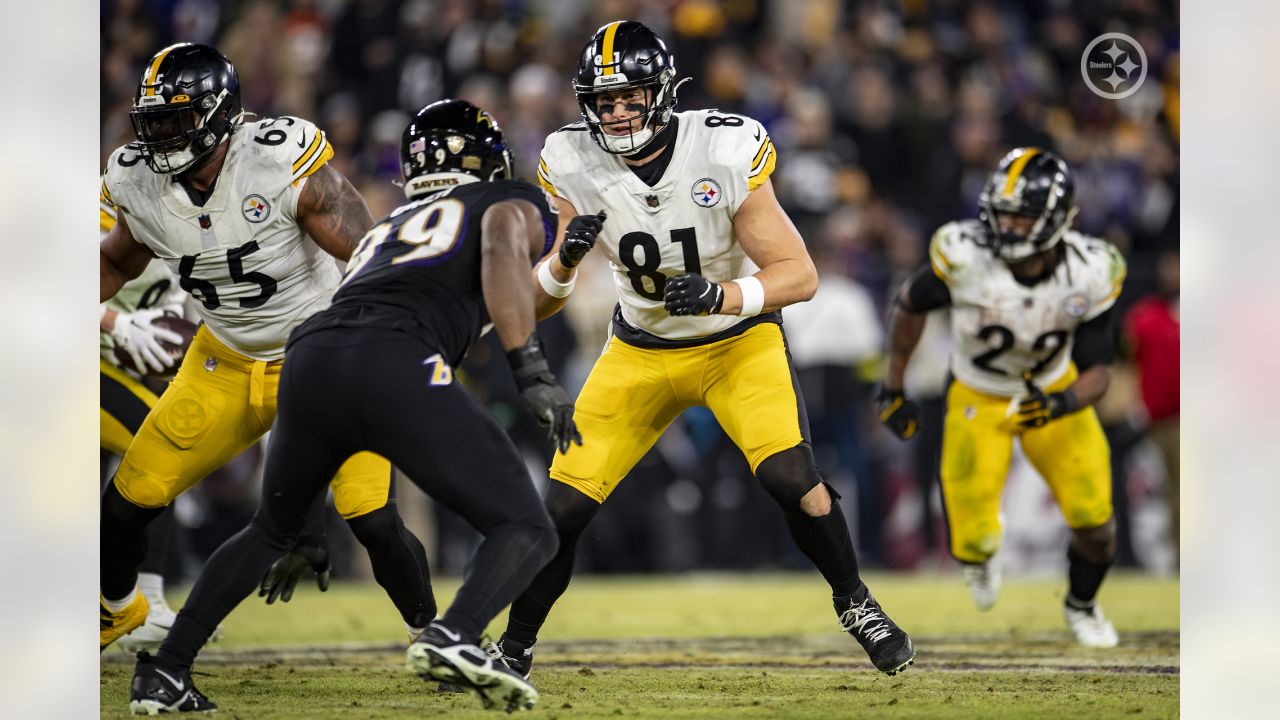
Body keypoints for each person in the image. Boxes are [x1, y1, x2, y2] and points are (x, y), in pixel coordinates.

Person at [128, 98, 580, 714]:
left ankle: (166, 674)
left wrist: (309, 518)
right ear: (491, 161)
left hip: (310, 355)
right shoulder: (509, 200)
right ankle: (453, 634)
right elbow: (502, 239)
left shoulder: (391, 227)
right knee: (527, 526)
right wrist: (530, 367)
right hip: (394, 359)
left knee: (271, 529)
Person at [491, 20, 915, 678]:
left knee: (793, 481)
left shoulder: (720, 147)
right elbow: (543, 297)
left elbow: (798, 275)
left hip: (735, 345)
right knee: (564, 508)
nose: (617, 112)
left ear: (661, 93)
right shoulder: (570, 160)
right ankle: (514, 646)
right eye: (605, 101)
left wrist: (723, 297)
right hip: (640, 349)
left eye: (630, 97)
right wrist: (566, 265)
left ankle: (855, 602)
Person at [99, 43, 432, 656]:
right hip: (223, 360)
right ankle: (116, 611)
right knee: (127, 501)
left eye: (177, 119)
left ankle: (434, 634)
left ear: (221, 114)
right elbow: (116, 259)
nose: (164, 137)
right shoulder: (136, 181)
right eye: (154, 122)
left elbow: (366, 253)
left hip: (324, 358)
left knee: (371, 516)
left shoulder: (278, 161)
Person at [878, 147, 1126, 647]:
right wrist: (894, 383)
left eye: (1021, 215)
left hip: (1053, 390)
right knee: (970, 543)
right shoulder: (965, 255)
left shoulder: (1090, 271)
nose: (1006, 225)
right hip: (978, 394)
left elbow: (1100, 370)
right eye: (1002, 211)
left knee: (1096, 522)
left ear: (1056, 220)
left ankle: (1082, 606)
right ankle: (980, 556)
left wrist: (1063, 403)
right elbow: (910, 304)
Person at [98, 184, 192, 652]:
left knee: (164, 449)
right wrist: (117, 325)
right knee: (161, 444)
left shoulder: (200, 216)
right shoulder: (107, 207)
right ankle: (134, 601)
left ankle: (138, 600)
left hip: (110, 367)